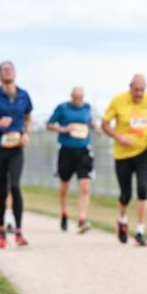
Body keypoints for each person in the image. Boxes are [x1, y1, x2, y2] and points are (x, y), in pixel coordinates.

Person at [0, 60, 33, 248]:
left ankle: (18, 231)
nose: (8, 72)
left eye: (10, 69)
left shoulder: (24, 95)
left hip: (16, 147)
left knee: (15, 186)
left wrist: (26, 134)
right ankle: (1, 229)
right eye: (4, 70)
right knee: (2, 190)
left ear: (15, 73)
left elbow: (28, 117)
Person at [102, 74, 147, 246]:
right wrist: (119, 137)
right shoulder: (118, 101)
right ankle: (122, 219)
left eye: (142, 90)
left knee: (143, 188)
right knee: (126, 194)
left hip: (144, 152)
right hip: (123, 154)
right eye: (136, 90)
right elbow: (105, 124)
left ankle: (140, 231)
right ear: (130, 87)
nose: (139, 94)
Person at [46, 86, 94, 232]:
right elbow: (49, 125)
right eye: (76, 98)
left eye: (81, 98)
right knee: (65, 186)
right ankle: (64, 213)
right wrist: (64, 129)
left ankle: (82, 219)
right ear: (71, 96)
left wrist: (96, 128)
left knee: (85, 186)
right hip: (66, 150)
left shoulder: (87, 107)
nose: (79, 101)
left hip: (84, 150)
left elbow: (89, 121)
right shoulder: (62, 108)